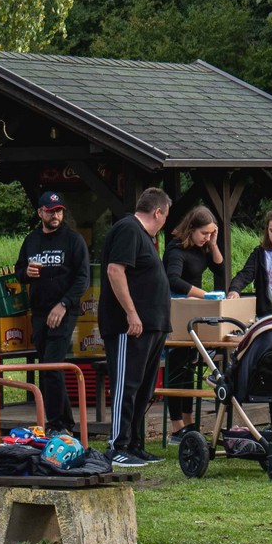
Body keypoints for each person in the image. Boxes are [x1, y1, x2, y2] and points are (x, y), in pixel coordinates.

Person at [99, 187, 173, 468]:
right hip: (129, 326)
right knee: (126, 385)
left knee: (143, 388)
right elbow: (115, 271)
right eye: (165, 216)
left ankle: (134, 443)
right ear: (157, 212)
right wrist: (132, 313)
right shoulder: (128, 229)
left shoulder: (146, 237)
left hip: (153, 326)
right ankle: (116, 445)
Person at [15, 192, 91, 436]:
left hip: (64, 310)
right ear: (40, 213)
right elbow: (18, 271)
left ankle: (57, 424)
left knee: (51, 366)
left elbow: (83, 279)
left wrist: (64, 304)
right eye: (50, 211)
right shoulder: (31, 240)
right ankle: (64, 422)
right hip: (39, 311)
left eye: (59, 211)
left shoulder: (73, 240)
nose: (55, 215)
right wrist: (26, 273)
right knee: (46, 367)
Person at [160, 205, 224, 435]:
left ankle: (188, 421)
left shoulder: (204, 247)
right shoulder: (176, 249)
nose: (206, 238)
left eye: (210, 233)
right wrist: (203, 295)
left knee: (188, 368)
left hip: (193, 309)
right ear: (191, 229)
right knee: (176, 368)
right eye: (203, 233)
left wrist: (213, 243)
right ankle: (176, 425)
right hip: (177, 308)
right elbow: (173, 280)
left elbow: (220, 268)